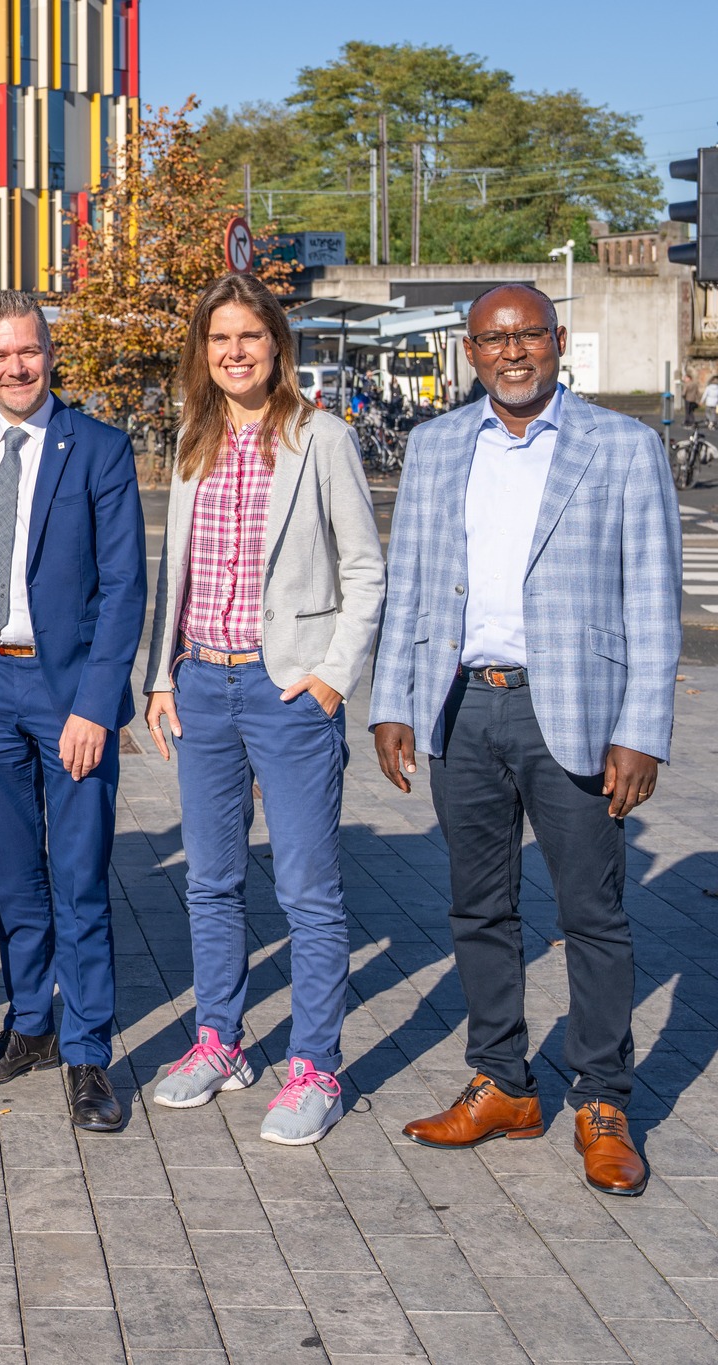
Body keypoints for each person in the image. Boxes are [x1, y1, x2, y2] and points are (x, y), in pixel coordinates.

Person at [372, 283, 680, 1197]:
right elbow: (410, 580)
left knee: (592, 914)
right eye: (493, 338)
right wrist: (393, 700)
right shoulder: (435, 446)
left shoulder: (621, 445)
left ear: (557, 340)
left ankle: (603, 1101)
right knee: (478, 908)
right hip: (463, 705)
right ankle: (504, 1082)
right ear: (470, 351)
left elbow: (653, 596)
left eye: (529, 334)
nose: (513, 352)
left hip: (575, 709)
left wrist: (642, 729)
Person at [140, 273, 386, 1145]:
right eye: (220, 338)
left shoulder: (322, 438)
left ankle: (316, 1064)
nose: (235, 351)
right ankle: (221, 1040)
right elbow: (175, 570)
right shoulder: (192, 437)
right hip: (202, 684)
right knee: (211, 882)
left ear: (277, 343)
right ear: (203, 352)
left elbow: (365, 570)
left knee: (307, 890)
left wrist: (332, 678)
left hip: (287, 691)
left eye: (249, 335)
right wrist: (160, 676)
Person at [0, 292, 147, 1133]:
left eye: (28, 350)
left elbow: (124, 587)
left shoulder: (99, 447)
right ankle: (30, 1026)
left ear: (50, 353)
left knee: (78, 876)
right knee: (14, 875)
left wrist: (97, 705)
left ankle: (87, 1051)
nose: (15, 366)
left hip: (68, 696)